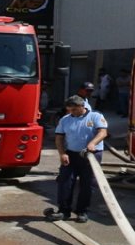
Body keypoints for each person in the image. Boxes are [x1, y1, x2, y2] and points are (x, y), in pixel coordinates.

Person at [46, 95, 108, 223]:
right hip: (71, 154)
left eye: (73, 110)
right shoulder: (65, 120)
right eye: (69, 110)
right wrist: (62, 153)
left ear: (82, 107)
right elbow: (59, 138)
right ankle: (64, 210)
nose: (71, 112)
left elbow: (102, 132)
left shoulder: (95, 116)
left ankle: (82, 211)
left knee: (87, 184)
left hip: (91, 155)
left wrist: (92, 143)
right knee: (65, 181)